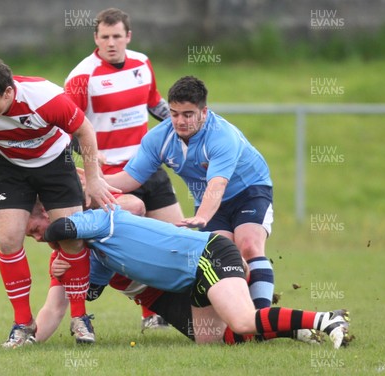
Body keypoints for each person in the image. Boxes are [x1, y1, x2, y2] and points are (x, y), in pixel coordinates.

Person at [0, 58, 117, 348]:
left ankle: (80, 318)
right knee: (8, 240)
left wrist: (93, 180)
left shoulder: (45, 98)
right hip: (11, 167)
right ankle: (23, 324)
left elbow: (85, 130)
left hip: (56, 163)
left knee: (71, 239)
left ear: (8, 92)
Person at [43, 206, 351, 349]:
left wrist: (53, 241)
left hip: (209, 254)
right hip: (192, 281)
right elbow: (89, 293)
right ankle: (296, 330)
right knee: (222, 339)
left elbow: (60, 229)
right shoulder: (96, 255)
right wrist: (66, 268)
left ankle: (326, 320)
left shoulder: (99, 219)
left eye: (35, 230)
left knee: (243, 320)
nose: (36, 237)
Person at [105, 76, 276, 310]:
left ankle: (263, 317)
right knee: (223, 260)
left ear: (203, 112)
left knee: (248, 245)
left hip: (249, 190)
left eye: (188, 114)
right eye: (174, 114)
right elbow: (130, 179)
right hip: (207, 200)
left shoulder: (222, 136)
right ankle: (243, 315)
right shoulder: (159, 138)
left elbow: (217, 185)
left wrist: (203, 216)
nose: (180, 121)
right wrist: (95, 181)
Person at [65, 7, 184, 330]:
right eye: (105, 37)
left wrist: (189, 124)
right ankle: (149, 313)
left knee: (178, 237)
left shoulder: (142, 63)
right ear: (96, 38)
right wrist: (91, 156)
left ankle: (190, 306)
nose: (112, 43)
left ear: (128, 36)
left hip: (148, 167)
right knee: (135, 246)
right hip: (110, 178)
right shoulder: (82, 76)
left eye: (117, 36)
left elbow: (155, 103)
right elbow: (68, 129)